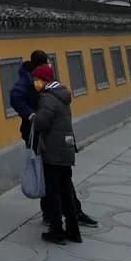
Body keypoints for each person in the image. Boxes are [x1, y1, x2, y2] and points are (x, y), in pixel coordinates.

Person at [10, 50, 97, 227]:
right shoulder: (27, 80)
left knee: (58, 177)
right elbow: (15, 98)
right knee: (48, 176)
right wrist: (31, 115)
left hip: (52, 135)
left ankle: (69, 212)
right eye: (47, 63)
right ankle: (55, 214)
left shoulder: (43, 80)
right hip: (38, 135)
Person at [32, 63, 81, 244]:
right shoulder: (62, 94)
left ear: (44, 80)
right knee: (66, 190)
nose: (35, 83)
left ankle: (56, 230)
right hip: (66, 149)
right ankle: (73, 229)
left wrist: (34, 118)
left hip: (53, 151)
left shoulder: (47, 98)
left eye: (37, 80)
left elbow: (42, 122)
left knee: (53, 192)